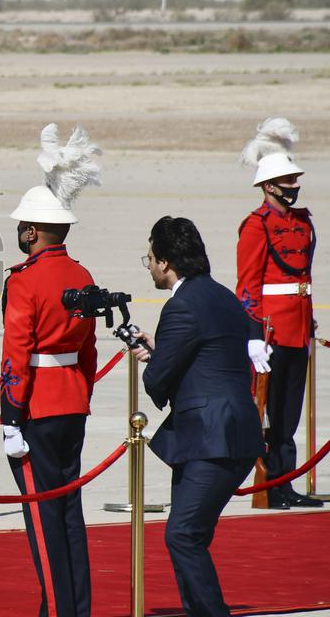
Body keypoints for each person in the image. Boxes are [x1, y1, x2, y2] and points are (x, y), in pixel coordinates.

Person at [134, 216, 265, 617]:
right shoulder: (223, 296)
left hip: (212, 438)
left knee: (183, 535)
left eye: (151, 259)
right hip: (230, 431)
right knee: (191, 536)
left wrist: (152, 359)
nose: (151, 266)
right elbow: (209, 359)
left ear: (167, 262)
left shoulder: (181, 306)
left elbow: (157, 382)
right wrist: (165, 350)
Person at [0, 124, 101, 617]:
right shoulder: (82, 275)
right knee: (69, 513)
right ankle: (74, 606)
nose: (19, 232)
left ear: (33, 232)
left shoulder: (25, 281)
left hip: (36, 404)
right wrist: (81, 391)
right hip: (72, 400)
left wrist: (10, 415)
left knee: (41, 515)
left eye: (23, 226)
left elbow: (16, 352)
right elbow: (89, 350)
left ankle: (59, 611)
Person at [235, 118, 321, 509]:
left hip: (298, 326)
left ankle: (286, 483)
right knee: (269, 414)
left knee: (289, 416)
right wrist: (253, 333)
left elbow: (304, 275)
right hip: (270, 331)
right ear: (269, 187)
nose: (293, 186)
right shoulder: (256, 226)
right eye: (286, 181)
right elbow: (248, 284)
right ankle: (271, 486)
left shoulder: (302, 222)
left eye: (294, 180)